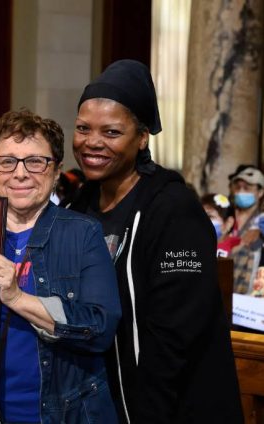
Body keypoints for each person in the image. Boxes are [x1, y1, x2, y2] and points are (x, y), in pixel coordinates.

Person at [70, 59, 243, 423]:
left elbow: (175, 338)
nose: (93, 142)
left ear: (142, 136)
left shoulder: (173, 209)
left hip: (170, 408)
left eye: (111, 132)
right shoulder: (79, 204)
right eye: (83, 128)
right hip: (103, 403)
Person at [0, 109, 121, 423]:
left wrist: (18, 298)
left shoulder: (82, 233)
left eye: (35, 161)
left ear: (57, 170)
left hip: (62, 413)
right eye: (7, 161)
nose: (19, 173)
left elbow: (99, 327)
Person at [226, 165, 264, 294]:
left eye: (247, 188)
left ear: (260, 192)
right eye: (237, 187)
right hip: (222, 289)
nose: (241, 191)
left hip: (248, 293)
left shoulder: (261, 222)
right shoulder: (226, 218)